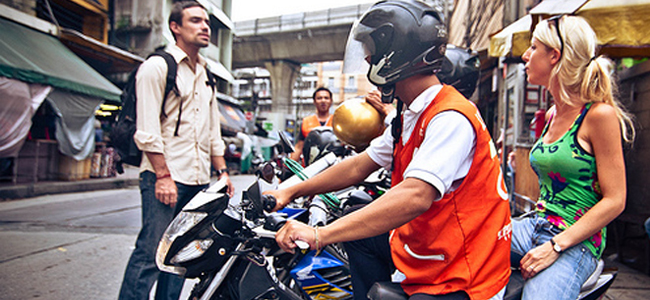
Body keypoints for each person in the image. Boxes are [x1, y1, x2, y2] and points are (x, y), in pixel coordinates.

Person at [266, 1, 512, 299]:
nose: (368, 58)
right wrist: (291, 191)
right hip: (433, 243)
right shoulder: (410, 115)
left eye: (373, 50)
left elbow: (415, 196)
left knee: (345, 234)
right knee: (357, 233)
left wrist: (320, 235)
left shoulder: (450, 117)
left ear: (397, 54)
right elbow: (359, 166)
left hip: (462, 268)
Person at [511, 15, 635, 300]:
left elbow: (615, 200)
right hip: (533, 225)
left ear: (554, 56)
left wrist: (554, 246)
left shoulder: (598, 115)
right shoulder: (553, 114)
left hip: (575, 242)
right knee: (457, 237)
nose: (525, 55)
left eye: (533, 47)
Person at [118, 2, 234, 300]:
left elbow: (211, 130)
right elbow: (146, 129)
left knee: (182, 258)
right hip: (166, 177)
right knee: (151, 253)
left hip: (198, 181)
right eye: (195, 20)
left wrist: (222, 172)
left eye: (206, 22)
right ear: (176, 27)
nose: (205, 27)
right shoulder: (158, 66)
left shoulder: (205, 72)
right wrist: (163, 175)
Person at [289, 87, 334, 163]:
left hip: (333, 165)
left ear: (331, 101)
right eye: (319, 98)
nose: (323, 100)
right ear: (314, 101)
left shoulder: (338, 121)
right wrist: (289, 165)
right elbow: (299, 146)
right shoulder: (306, 121)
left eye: (326, 98)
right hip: (310, 166)